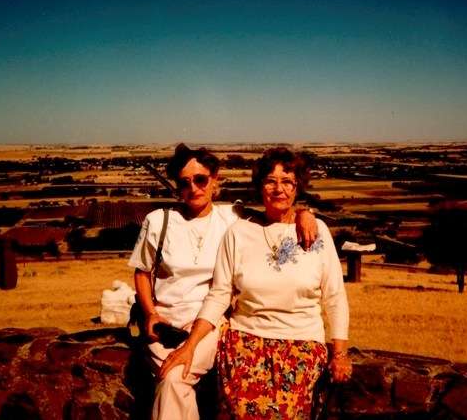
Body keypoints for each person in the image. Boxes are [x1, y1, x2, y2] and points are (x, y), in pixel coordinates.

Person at [129, 143, 318, 420]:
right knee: (170, 378)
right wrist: (150, 314)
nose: (193, 188)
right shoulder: (158, 221)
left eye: (200, 179)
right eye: (184, 183)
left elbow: (277, 210)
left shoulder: (232, 217)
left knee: (173, 379)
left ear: (215, 180)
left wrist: (305, 213)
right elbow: (142, 272)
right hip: (164, 324)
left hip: (209, 325)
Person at [161, 147, 351, 420]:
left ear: (298, 188)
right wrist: (189, 346)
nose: (279, 189)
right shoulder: (238, 232)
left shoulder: (315, 231)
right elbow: (219, 295)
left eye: (287, 182)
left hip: (301, 344)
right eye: (270, 181)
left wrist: (340, 353)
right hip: (244, 342)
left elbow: (335, 296)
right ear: (260, 187)